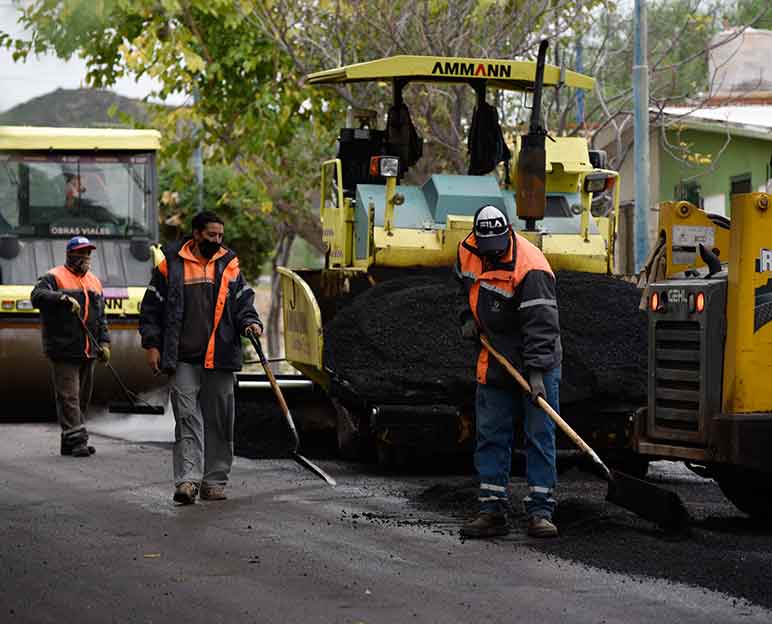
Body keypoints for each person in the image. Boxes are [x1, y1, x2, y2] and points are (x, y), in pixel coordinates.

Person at [139, 211, 262, 505]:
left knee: (219, 421)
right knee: (187, 419)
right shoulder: (171, 265)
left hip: (220, 357)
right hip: (182, 357)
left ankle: (214, 481)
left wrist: (251, 322)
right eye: (211, 235)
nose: (217, 241)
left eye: (220, 236)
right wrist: (152, 345)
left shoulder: (228, 264)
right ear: (196, 234)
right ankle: (188, 481)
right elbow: (151, 308)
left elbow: (243, 300)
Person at [455, 205, 562, 539]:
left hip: (536, 360)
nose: (492, 253)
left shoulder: (531, 267)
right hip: (495, 357)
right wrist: (466, 317)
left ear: (508, 233)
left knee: (540, 435)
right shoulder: (467, 252)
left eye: (498, 246)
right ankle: (491, 510)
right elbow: (462, 288)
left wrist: (537, 376)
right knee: (491, 433)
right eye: (487, 247)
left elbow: (542, 327)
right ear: (477, 238)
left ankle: (540, 512)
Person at [31, 236, 111, 457]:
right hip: (63, 349)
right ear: (70, 255)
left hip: (89, 351)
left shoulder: (94, 282)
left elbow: (101, 318)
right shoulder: (54, 277)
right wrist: (62, 299)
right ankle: (78, 441)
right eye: (81, 253)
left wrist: (104, 343)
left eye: (88, 253)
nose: (86, 257)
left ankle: (69, 441)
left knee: (82, 397)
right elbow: (36, 296)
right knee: (69, 397)